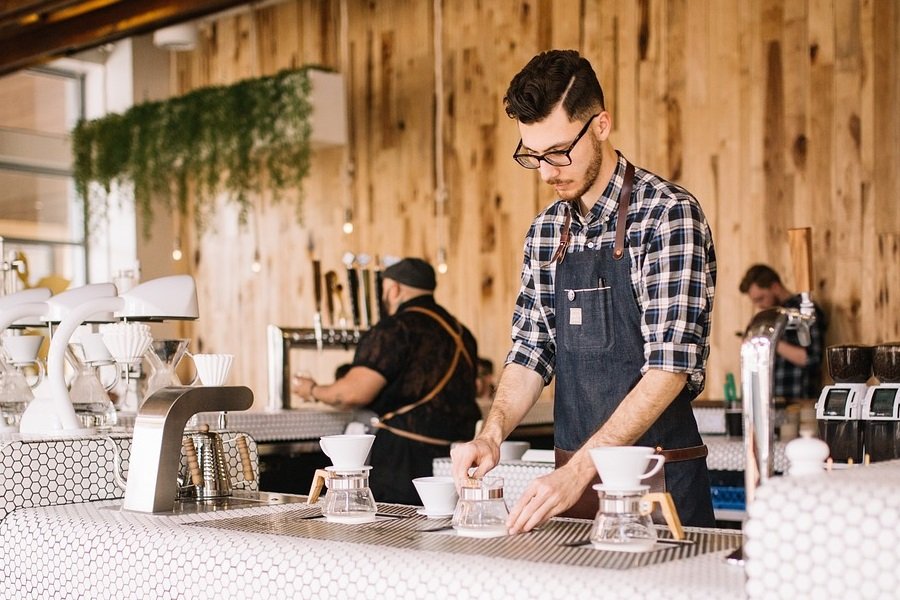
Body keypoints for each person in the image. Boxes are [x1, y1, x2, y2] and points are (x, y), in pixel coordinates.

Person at [451, 49, 718, 532]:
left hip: (656, 489)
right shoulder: (546, 232)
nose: (547, 171)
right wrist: (490, 435)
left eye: (557, 152)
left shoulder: (667, 215)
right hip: (571, 488)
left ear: (600, 125)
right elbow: (532, 351)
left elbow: (669, 369)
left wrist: (580, 470)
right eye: (532, 157)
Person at [293, 257, 481, 505]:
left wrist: (312, 389)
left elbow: (351, 393)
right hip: (455, 459)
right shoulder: (461, 332)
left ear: (393, 289)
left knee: (395, 534)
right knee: (443, 533)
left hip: (403, 460)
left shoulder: (396, 328)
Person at [739, 264, 828, 402]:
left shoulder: (804, 312)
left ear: (775, 287)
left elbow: (812, 359)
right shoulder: (768, 316)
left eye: (761, 298)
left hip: (800, 402)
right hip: (769, 402)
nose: (759, 306)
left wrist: (769, 340)